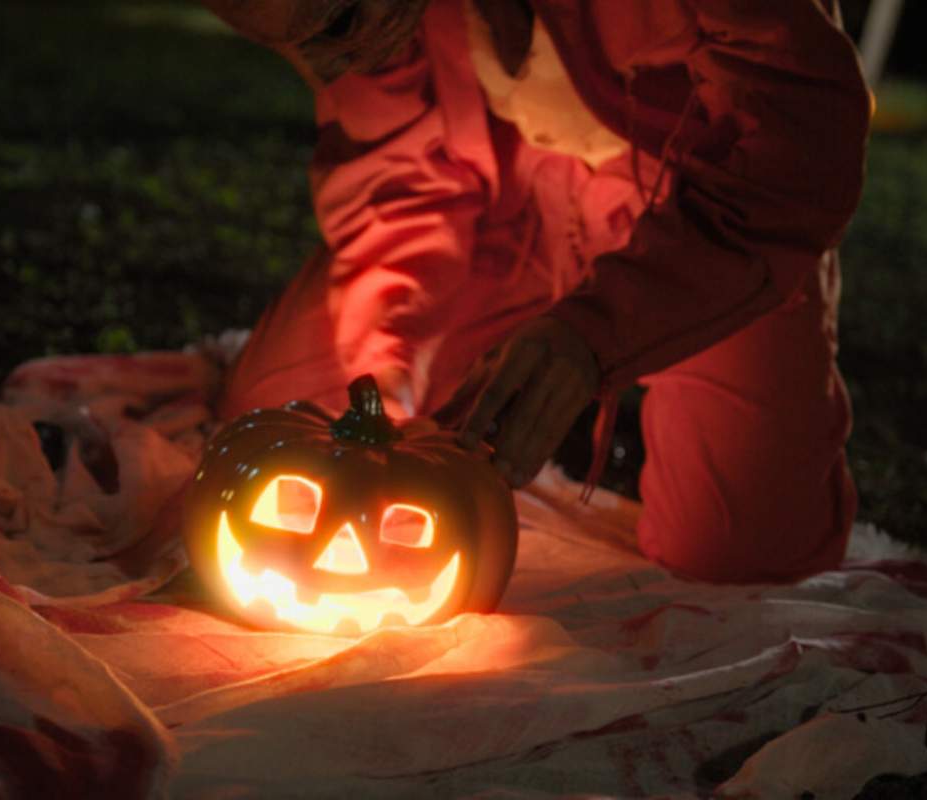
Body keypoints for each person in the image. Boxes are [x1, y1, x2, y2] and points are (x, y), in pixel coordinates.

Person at [201, 0, 872, 583]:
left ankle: (635, 373)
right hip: (503, 205)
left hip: (697, 216)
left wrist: (601, 332)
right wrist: (391, 345)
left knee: (737, 553)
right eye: (294, 45)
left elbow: (790, 146)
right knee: (285, 418)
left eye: (339, 18)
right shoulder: (366, 28)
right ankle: (518, 361)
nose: (329, 64)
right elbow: (398, 179)